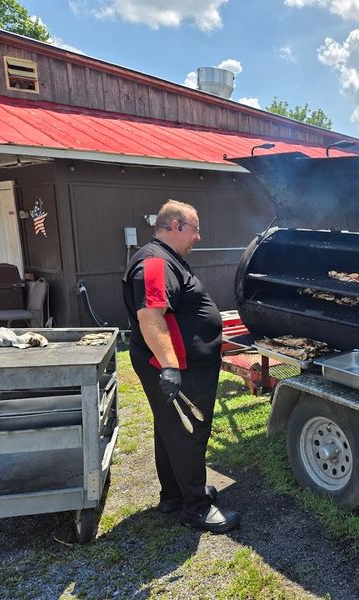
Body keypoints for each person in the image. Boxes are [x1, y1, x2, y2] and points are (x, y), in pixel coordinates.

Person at [122, 199, 240, 534]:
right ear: (175, 226)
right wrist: (171, 368)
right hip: (179, 367)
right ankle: (197, 508)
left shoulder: (164, 258)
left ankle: (174, 495)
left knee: (170, 428)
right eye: (195, 229)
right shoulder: (155, 263)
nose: (198, 237)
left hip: (176, 364)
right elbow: (150, 316)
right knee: (190, 431)